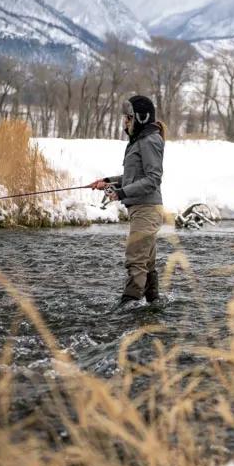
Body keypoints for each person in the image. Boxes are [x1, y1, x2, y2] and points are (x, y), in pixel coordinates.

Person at [89, 95, 166, 309]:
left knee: (135, 259)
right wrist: (107, 182)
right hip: (141, 210)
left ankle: (128, 305)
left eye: (128, 118)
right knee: (146, 261)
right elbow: (134, 178)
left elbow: (153, 179)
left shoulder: (150, 141)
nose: (125, 122)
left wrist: (121, 193)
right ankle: (153, 303)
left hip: (147, 210)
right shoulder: (140, 141)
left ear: (140, 118)